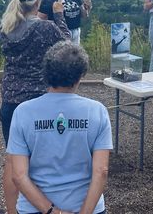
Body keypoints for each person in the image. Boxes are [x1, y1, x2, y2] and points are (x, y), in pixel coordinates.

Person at [7, 41, 112, 214]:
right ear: (80, 76)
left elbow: (18, 175)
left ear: (46, 73)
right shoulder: (97, 111)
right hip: (86, 207)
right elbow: (101, 171)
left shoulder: (23, 112)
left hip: (35, 209)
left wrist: (53, 212)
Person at [0, 0, 70, 214]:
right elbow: (67, 44)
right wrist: (58, 15)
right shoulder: (45, 28)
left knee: (13, 162)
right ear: (38, 2)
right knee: (42, 161)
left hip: (11, 103)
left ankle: (12, 211)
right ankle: (46, 207)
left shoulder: (6, 27)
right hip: (39, 103)